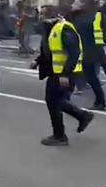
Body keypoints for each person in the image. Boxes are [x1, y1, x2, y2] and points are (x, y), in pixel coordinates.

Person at [31, 9, 94, 146]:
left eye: (43, 14)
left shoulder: (64, 28)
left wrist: (65, 74)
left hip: (65, 73)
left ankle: (60, 136)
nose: (40, 17)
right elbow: (50, 51)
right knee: (55, 101)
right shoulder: (51, 29)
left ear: (50, 16)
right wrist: (37, 61)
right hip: (57, 72)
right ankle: (82, 116)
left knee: (53, 101)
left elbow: (74, 52)